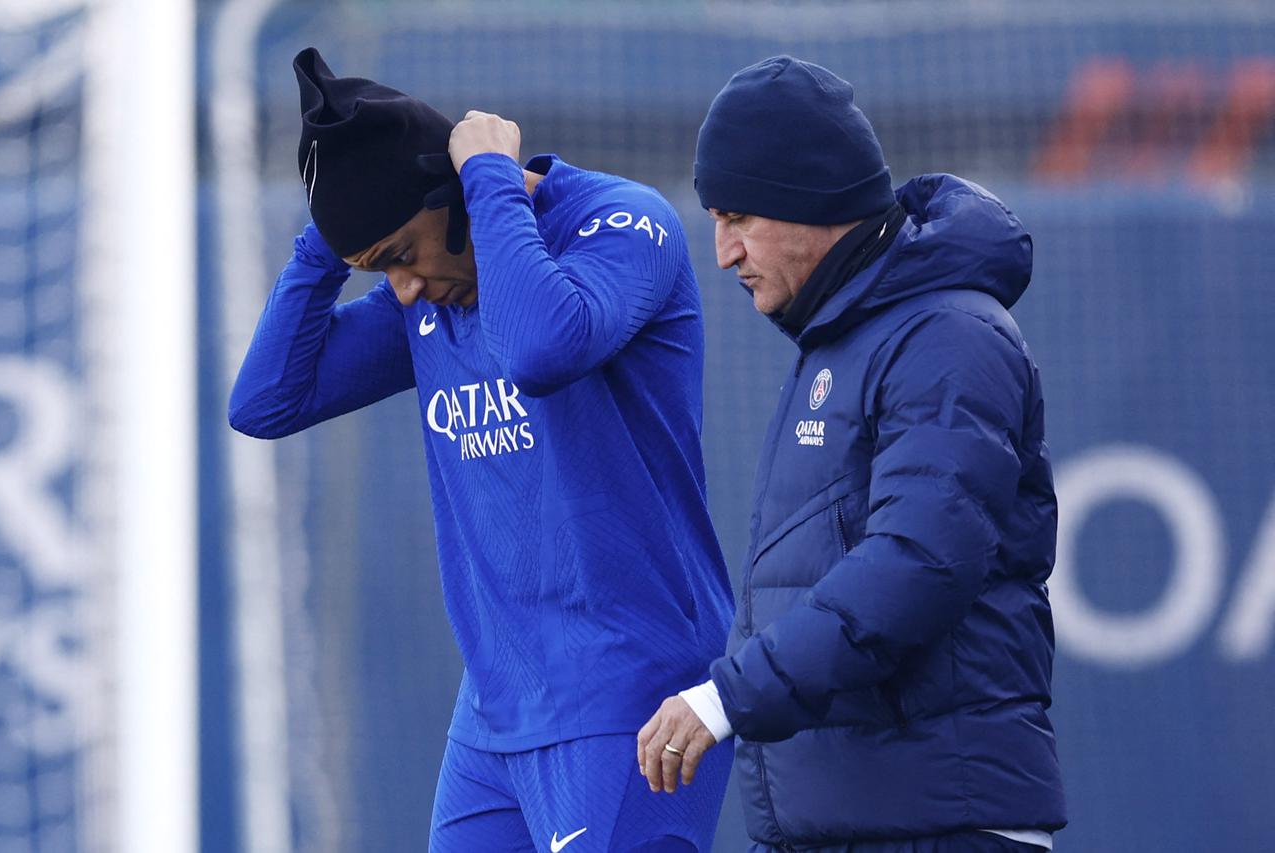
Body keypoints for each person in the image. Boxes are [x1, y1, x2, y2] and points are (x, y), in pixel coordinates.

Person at [229, 48, 735, 853]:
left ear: (458, 194)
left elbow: (541, 349)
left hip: (628, 704)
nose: (402, 288)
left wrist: (491, 180)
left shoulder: (622, 226)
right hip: (495, 719)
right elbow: (265, 401)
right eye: (376, 268)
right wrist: (334, 232)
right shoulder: (428, 294)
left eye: (399, 255)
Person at [638, 56, 1067, 852]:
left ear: (810, 203)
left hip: (938, 826)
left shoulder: (948, 336)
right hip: (843, 827)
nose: (724, 252)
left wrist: (731, 696)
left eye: (739, 218)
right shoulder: (843, 342)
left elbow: (917, 562)